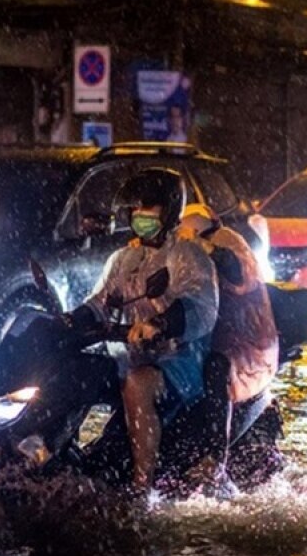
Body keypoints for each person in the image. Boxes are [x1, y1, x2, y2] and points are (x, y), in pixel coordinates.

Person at [83, 168, 218, 492]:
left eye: (149, 208)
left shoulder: (186, 254)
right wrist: (72, 321)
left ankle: (143, 485)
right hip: (129, 354)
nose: (140, 216)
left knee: (137, 384)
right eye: (136, 209)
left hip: (177, 358)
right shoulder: (123, 258)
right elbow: (99, 300)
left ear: (168, 210)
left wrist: (160, 324)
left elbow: (199, 305)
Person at [176, 203, 279, 404]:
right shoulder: (174, 250)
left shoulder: (225, 239)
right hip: (191, 336)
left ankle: (217, 434)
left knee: (216, 368)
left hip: (241, 345)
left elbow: (240, 275)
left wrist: (203, 245)